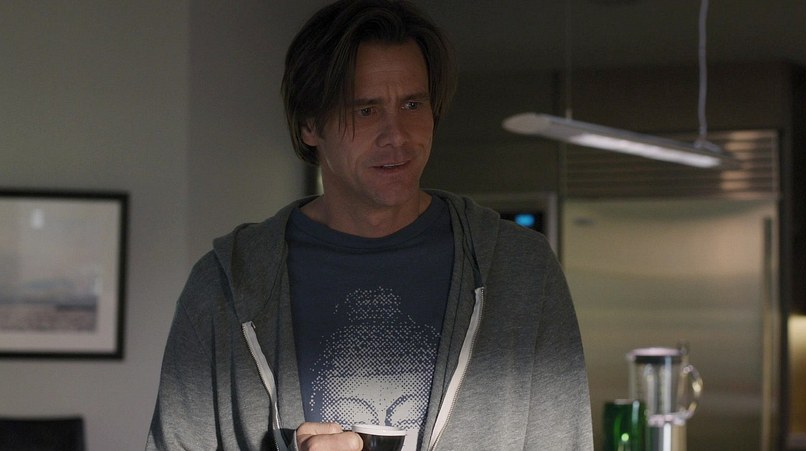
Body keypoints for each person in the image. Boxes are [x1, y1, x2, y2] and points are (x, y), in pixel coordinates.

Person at [146, 0, 592, 450]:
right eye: (366, 110)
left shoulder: (521, 271)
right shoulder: (224, 287)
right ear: (309, 124)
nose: (397, 135)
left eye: (413, 104)